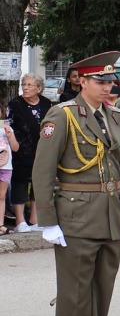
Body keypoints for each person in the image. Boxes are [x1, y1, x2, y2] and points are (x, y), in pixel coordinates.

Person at [33, 52, 120, 316]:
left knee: (101, 291)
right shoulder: (62, 115)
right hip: (75, 216)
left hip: (108, 214)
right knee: (75, 294)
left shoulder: (117, 116)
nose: (108, 87)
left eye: (111, 81)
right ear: (82, 81)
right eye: (101, 81)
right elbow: (43, 170)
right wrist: (48, 220)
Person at [7, 74, 52, 232]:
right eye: (23, 84)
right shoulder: (15, 104)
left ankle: (35, 219)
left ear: (39, 88)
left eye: (29, 85)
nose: (25, 87)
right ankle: (20, 222)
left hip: (42, 150)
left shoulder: (46, 103)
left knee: (38, 183)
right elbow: (9, 126)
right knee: (20, 183)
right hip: (21, 150)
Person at [0, 100, 18, 234]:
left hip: (6, 166)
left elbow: (16, 148)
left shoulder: (6, 127)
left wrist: (10, 135)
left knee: (2, 196)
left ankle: (0, 224)